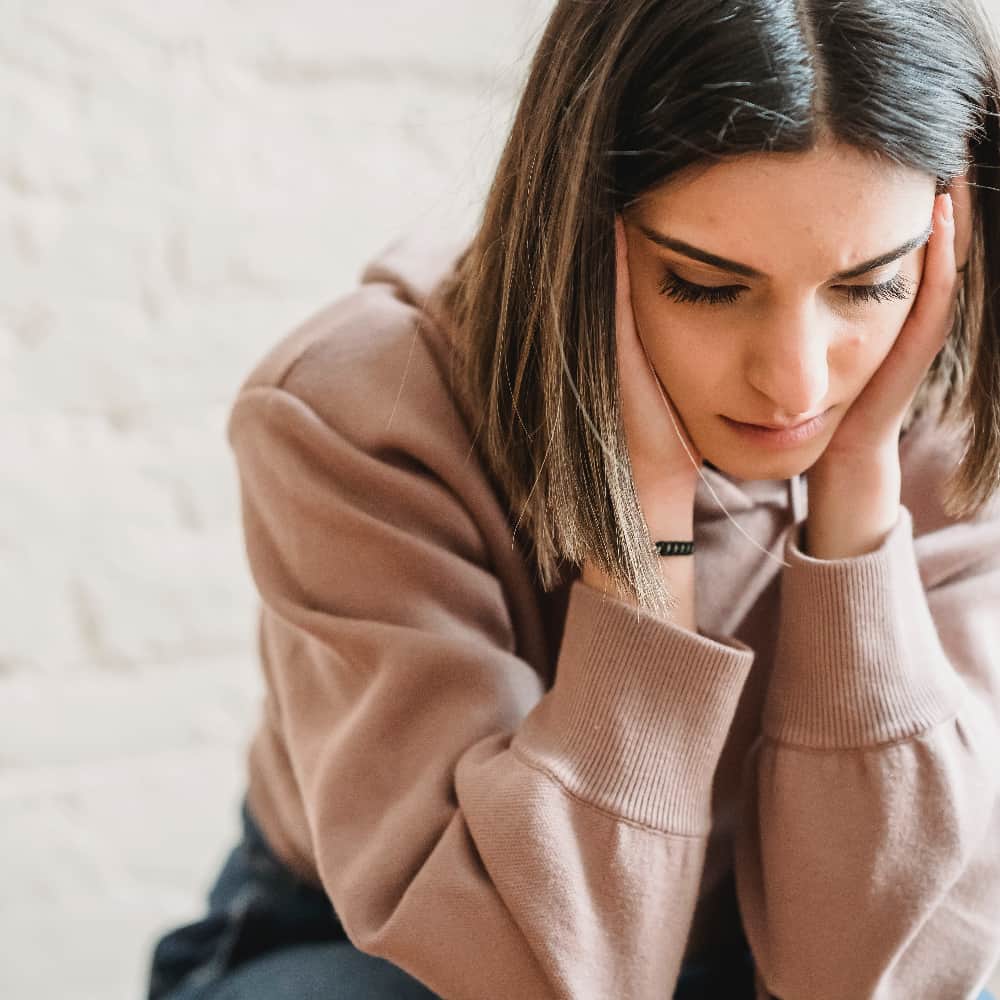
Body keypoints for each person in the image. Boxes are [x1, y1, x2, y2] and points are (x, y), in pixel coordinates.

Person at [145, 1, 1000, 997]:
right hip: (398, 952)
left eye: (867, 284)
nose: (798, 385)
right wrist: (637, 533)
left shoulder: (948, 418)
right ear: (575, 232)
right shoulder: (355, 418)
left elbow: (857, 975)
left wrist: (855, 509)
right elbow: (539, 974)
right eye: (705, 285)